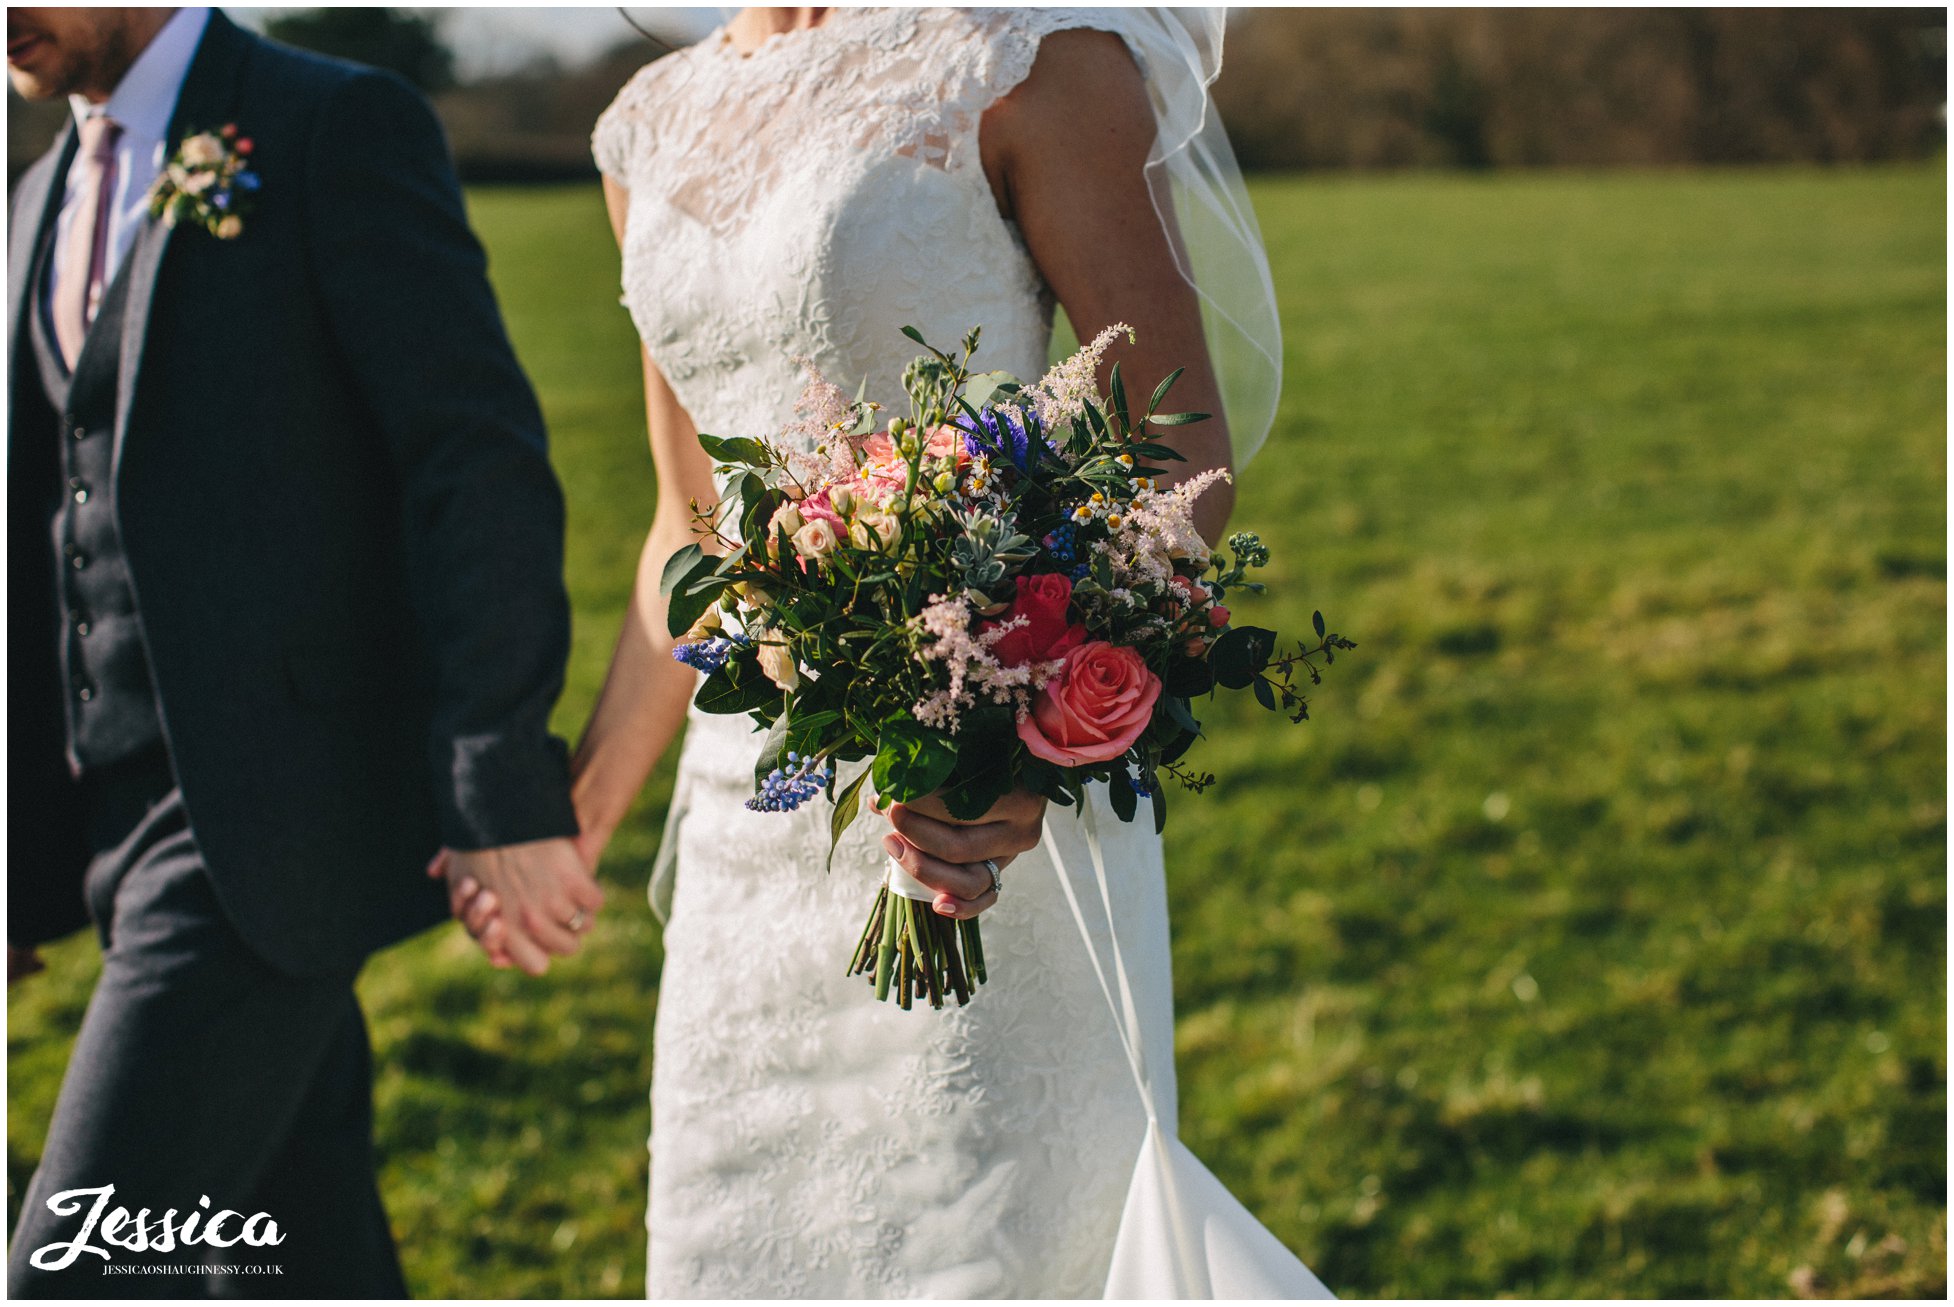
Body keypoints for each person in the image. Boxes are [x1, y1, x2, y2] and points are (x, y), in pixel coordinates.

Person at [447, 5, 1328, 1296]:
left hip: (987, 834)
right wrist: (576, 812)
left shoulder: (1033, 58)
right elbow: (688, 530)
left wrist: (1010, 747)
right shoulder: (646, 128)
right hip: (749, 853)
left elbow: (1179, 449)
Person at [5, 6, 602, 1295]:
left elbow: (473, 459)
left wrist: (496, 773)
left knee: (69, 1275)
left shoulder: (333, 124)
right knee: (300, 1263)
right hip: (113, 821)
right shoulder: (39, 190)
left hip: (267, 825)